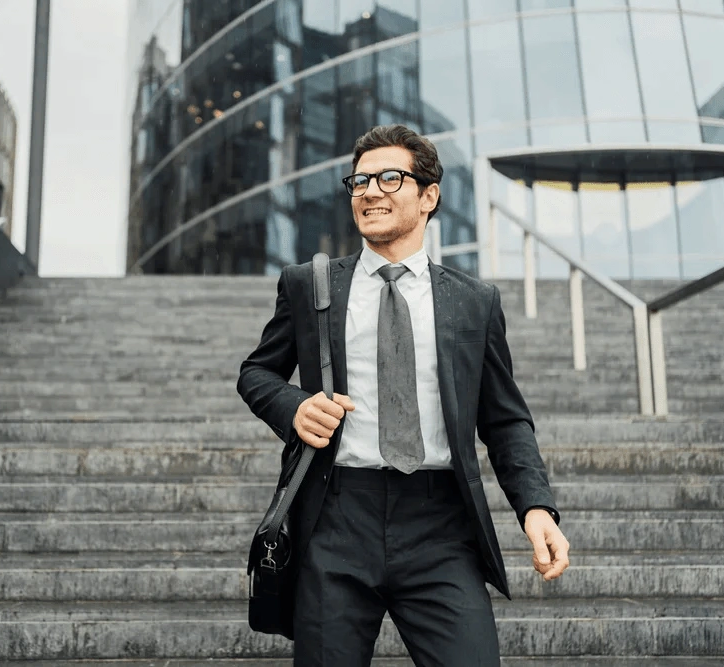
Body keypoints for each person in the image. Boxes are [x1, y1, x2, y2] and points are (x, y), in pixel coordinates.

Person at [237, 124, 569, 666]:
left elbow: (505, 421)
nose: (370, 191)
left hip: (440, 527)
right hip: (337, 517)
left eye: (390, 178)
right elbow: (256, 373)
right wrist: (294, 406)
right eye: (360, 181)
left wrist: (535, 508)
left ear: (429, 196)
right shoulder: (309, 285)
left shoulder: (473, 302)